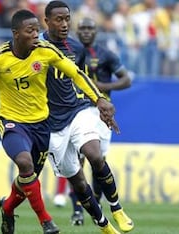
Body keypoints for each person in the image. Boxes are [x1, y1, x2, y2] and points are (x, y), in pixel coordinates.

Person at [0, 9, 116, 234]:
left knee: (27, 179)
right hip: (11, 123)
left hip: (42, 126)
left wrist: (99, 99)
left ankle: (7, 208)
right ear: (16, 34)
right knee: (25, 164)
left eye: (37, 29)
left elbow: (76, 74)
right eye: (31, 31)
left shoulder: (46, 52)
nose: (37, 34)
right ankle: (46, 221)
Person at [40, 1, 133, 233]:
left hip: (77, 111)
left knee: (95, 155)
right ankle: (102, 223)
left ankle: (117, 207)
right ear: (47, 21)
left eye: (67, 19)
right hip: (51, 123)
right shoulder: (36, 46)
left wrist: (99, 101)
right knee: (78, 180)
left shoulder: (75, 49)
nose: (64, 24)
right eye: (59, 19)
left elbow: (79, 77)